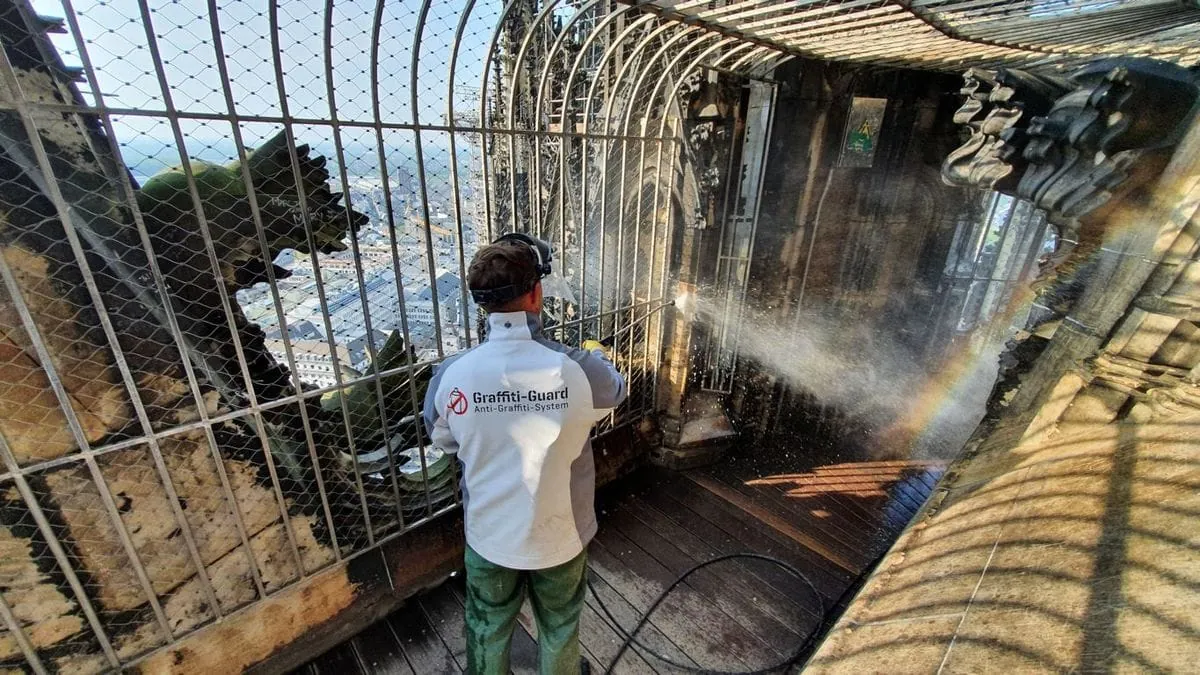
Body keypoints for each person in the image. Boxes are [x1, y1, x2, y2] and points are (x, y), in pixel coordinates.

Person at [423, 234, 626, 675]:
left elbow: (445, 440)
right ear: (536, 293)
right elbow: (614, 392)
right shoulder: (580, 368)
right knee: (559, 626)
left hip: (490, 535)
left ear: (481, 303)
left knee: (488, 625)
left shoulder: (451, 375)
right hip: (561, 535)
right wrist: (597, 354)